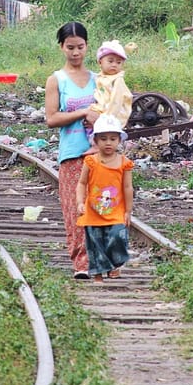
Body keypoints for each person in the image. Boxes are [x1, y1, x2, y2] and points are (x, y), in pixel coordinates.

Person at [45, 22, 99, 279]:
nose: (76, 53)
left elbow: (114, 113)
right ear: (61, 47)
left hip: (100, 154)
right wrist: (82, 113)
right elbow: (52, 118)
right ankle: (81, 263)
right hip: (72, 153)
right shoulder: (57, 80)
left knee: (102, 208)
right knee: (74, 209)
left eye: (80, 47)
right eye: (70, 47)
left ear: (87, 46)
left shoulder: (100, 80)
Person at [76, 114, 134, 283]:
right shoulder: (91, 161)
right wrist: (80, 202)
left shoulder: (124, 163)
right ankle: (98, 274)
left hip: (116, 211)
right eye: (103, 139)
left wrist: (128, 211)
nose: (108, 143)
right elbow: (81, 183)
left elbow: (128, 187)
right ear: (96, 140)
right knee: (95, 243)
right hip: (93, 212)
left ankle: (114, 264)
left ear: (119, 141)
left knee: (117, 236)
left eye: (113, 139)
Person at [86, 39, 133, 145]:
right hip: (104, 107)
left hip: (114, 112)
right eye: (110, 61)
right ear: (100, 62)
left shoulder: (117, 80)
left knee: (106, 132)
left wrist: (106, 118)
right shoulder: (101, 77)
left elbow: (116, 101)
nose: (114, 65)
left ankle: (98, 143)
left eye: (118, 62)